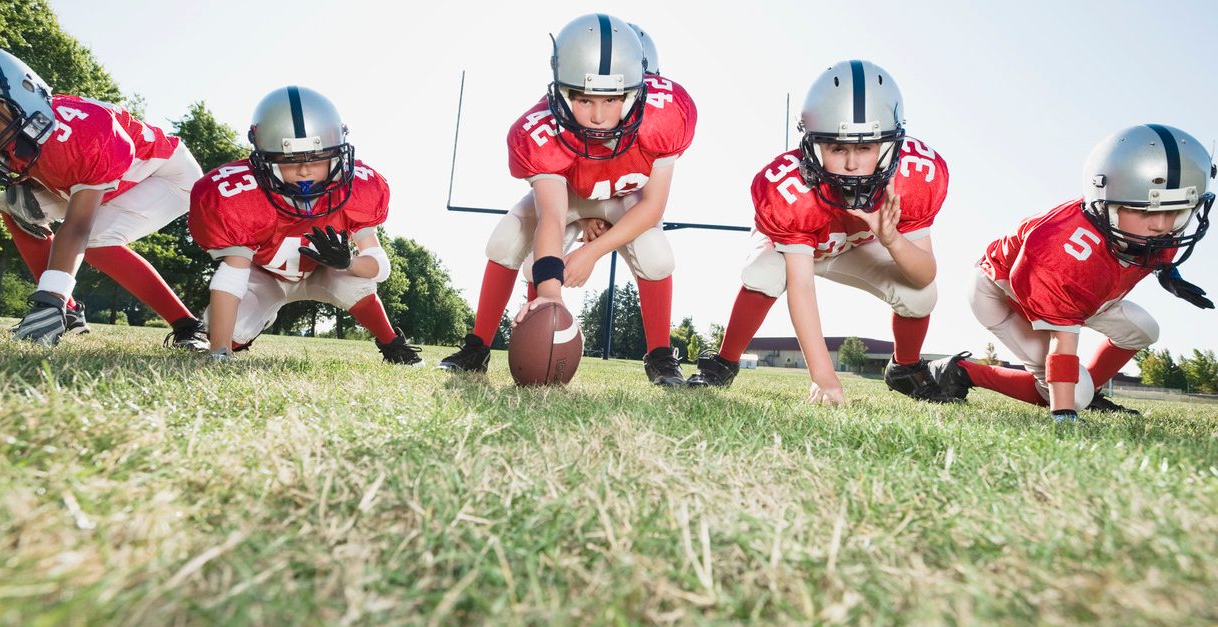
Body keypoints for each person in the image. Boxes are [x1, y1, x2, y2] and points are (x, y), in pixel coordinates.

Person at [438, 13, 697, 386]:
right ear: (561, 90)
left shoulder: (665, 117)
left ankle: (660, 357)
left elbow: (652, 208)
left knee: (657, 252)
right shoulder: (537, 130)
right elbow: (554, 216)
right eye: (582, 98)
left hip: (624, 199)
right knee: (507, 240)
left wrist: (591, 251)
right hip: (569, 196)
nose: (597, 116)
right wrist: (552, 295)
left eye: (613, 100)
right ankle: (478, 347)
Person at [687, 60, 953, 404]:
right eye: (838, 148)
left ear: (888, 146)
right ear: (813, 146)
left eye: (866, 147)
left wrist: (893, 241)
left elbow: (923, 275)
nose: (853, 164)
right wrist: (824, 377)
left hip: (853, 247)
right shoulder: (790, 188)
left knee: (921, 296)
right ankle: (724, 362)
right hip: (793, 250)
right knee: (763, 273)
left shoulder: (912, 178)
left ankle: (904, 368)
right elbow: (802, 286)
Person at [0, 39, 207, 347]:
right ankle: (65, 310)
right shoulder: (24, 127)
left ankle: (188, 325)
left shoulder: (85, 134)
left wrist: (50, 295)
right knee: (16, 206)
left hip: (163, 174)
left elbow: (78, 226)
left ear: (15, 91)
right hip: (102, 176)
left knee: (94, 240)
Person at [934, 124, 1213, 420]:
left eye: (1177, 211)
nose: (1162, 226)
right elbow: (1063, 346)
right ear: (1107, 204)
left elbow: (1156, 244)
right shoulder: (1061, 254)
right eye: (1147, 211)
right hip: (1003, 295)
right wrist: (1064, 412)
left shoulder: (1146, 231)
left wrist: (1169, 273)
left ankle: (1089, 393)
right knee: (1070, 394)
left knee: (1143, 329)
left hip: (1087, 293)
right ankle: (962, 372)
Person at [188, 86, 421, 365]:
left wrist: (347, 262)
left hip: (325, 271)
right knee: (226, 328)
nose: (304, 170)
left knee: (355, 281)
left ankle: (393, 344)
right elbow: (233, 275)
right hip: (266, 274)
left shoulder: (359, 188)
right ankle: (236, 337)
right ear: (264, 158)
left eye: (317, 158)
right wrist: (219, 351)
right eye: (290, 160)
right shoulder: (239, 196)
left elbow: (380, 267)